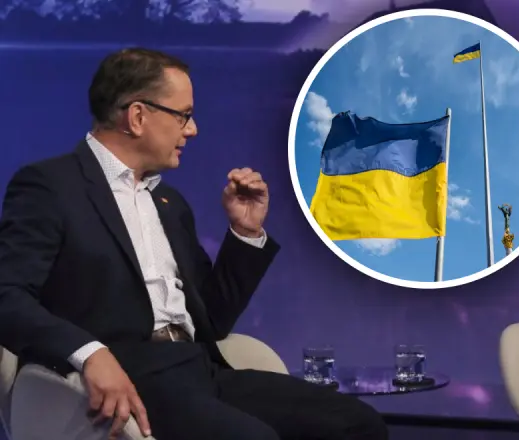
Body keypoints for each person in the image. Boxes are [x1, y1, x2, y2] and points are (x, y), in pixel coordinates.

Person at [0, 48, 388, 440]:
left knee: (357, 424)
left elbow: (213, 319)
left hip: (200, 368)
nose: (193, 129)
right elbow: (7, 296)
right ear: (138, 117)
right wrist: (90, 353)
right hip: (132, 373)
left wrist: (245, 232)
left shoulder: (169, 203)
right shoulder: (51, 187)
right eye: (183, 115)